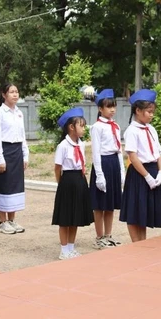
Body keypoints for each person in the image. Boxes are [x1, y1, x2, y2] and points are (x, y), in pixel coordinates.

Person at [119, 89, 161, 242]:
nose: (151, 115)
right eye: (148, 112)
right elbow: (133, 156)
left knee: (144, 211)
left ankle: (142, 242)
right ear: (138, 111)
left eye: (152, 112)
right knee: (134, 210)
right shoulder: (132, 131)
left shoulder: (151, 129)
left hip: (152, 169)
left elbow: (158, 152)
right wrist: (147, 177)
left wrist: (160, 171)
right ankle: (135, 243)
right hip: (139, 173)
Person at [52, 107, 93, 260]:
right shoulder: (63, 146)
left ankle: (71, 247)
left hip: (80, 179)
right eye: (81, 126)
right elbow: (57, 167)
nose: (84, 129)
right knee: (65, 217)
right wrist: (61, 183)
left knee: (76, 216)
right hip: (67, 181)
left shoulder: (81, 144)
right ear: (71, 127)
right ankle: (63, 250)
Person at [0, 83, 28, 235]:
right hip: (5, 151)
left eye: (16, 92)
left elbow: (22, 135)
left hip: (17, 151)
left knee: (15, 186)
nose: (15, 94)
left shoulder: (19, 113)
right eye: (11, 92)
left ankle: (12, 220)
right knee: (4, 185)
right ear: (4, 95)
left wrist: (25, 154)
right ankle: (2, 221)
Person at [89, 88, 124, 249]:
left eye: (113, 106)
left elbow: (119, 149)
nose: (112, 109)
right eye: (108, 106)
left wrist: (122, 171)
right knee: (99, 204)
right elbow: (95, 152)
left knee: (110, 203)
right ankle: (99, 236)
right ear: (100, 109)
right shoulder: (97, 127)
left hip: (114, 163)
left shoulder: (115, 126)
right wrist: (99, 175)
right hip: (103, 163)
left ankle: (108, 235)